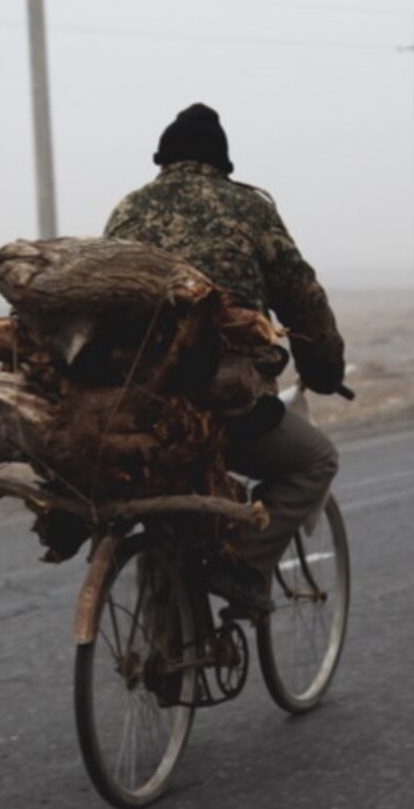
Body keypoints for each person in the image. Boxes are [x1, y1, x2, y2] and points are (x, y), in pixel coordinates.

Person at [105, 103, 345, 611]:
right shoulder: (248, 208)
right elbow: (301, 297)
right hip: (225, 400)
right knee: (316, 460)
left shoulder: (128, 210)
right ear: (222, 162)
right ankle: (242, 569)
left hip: (139, 404)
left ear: (162, 159)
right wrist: (324, 368)